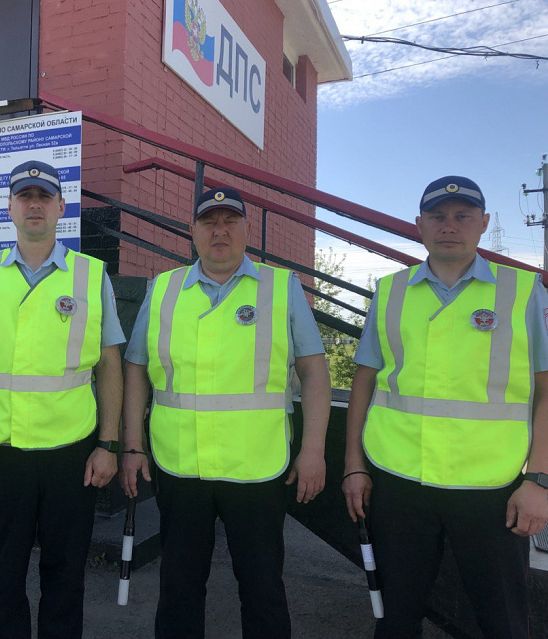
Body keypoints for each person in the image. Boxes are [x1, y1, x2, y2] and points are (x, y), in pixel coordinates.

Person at [120, 187, 332, 639]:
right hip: (180, 465)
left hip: (256, 467)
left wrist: (313, 450)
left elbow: (314, 372)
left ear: (247, 229)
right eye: (209, 221)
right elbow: (136, 369)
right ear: (192, 231)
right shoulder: (164, 289)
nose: (220, 230)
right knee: (178, 589)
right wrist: (132, 445)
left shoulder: (282, 287)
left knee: (262, 590)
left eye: (230, 220)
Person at [343, 176, 548, 638]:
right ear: (420, 225)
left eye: (462, 216)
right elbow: (364, 381)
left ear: (484, 223)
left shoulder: (522, 291)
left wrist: (539, 479)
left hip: (493, 486)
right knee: (395, 619)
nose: (449, 225)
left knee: (504, 622)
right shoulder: (390, 291)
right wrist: (353, 465)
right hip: (399, 481)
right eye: (437, 216)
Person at [0, 159, 125, 638]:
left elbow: (109, 365)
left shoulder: (90, 276)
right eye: (25, 196)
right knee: (3, 575)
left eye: (44, 196)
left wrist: (108, 444)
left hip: (71, 452)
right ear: (10, 207)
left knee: (66, 574)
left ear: (62, 207)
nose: (35, 204)